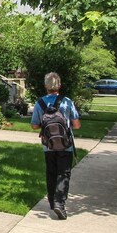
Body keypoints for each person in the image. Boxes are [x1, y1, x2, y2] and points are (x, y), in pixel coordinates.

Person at [31, 72, 81, 220]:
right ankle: (60, 202)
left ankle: (53, 201)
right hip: (66, 146)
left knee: (51, 172)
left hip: (48, 146)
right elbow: (76, 125)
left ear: (45, 86)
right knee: (64, 173)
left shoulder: (40, 103)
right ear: (59, 85)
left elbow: (34, 125)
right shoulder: (67, 102)